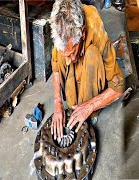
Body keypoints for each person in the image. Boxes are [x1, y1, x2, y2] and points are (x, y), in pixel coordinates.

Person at [49, 0, 124, 140]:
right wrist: (57, 103)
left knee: (92, 54)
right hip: (72, 66)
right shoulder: (59, 26)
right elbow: (56, 69)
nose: (68, 60)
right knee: (62, 54)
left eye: (71, 53)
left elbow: (118, 87)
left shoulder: (94, 25)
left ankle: (89, 113)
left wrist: (90, 106)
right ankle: (76, 107)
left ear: (82, 33)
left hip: (92, 64)